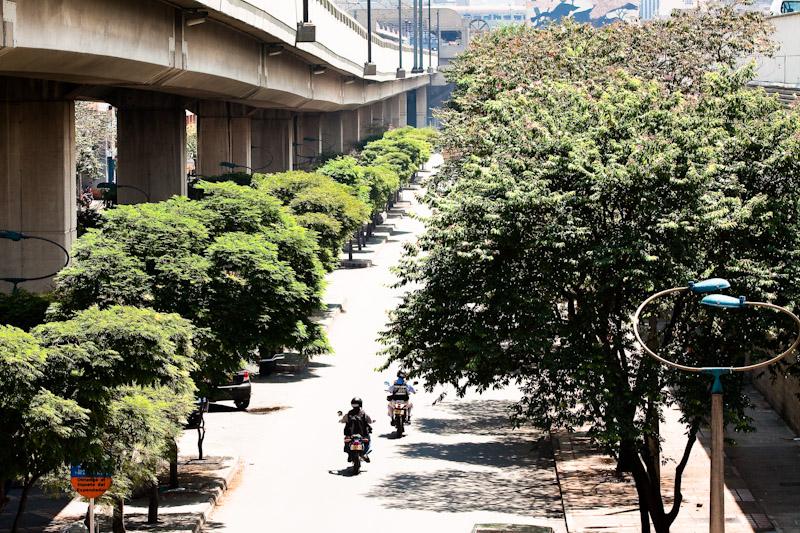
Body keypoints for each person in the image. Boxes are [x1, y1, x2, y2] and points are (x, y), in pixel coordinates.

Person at [340, 397, 373, 462]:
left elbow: (343, 420)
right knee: (368, 441)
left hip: (350, 434)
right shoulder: (363, 413)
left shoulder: (349, 414)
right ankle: (365, 454)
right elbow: (370, 421)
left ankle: (349, 454)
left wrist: (341, 420)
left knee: (347, 440)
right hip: (363, 434)